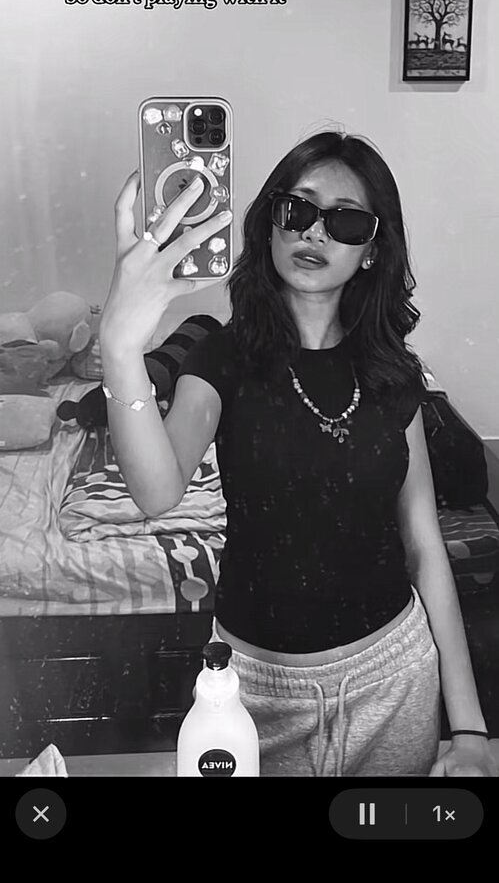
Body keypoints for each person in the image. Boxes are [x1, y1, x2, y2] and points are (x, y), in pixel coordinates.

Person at [99, 131, 496, 778]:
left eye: (345, 221)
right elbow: (155, 492)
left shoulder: (393, 373)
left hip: (393, 681)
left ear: (372, 249)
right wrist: (119, 346)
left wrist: (471, 729)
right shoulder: (222, 359)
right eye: (298, 209)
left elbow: (424, 547)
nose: (314, 231)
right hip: (253, 696)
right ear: (270, 224)